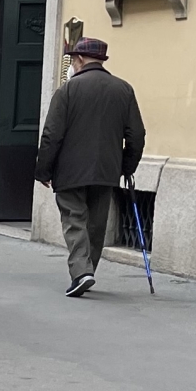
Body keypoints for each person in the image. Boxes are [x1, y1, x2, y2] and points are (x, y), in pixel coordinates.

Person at [34, 35, 148, 298]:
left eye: (73, 60)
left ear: (80, 59)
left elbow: (52, 134)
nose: (73, 64)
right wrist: (126, 166)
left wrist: (43, 170)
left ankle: (81, 272)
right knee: (95, 226)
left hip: (70, 171)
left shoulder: (68, 91)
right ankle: (87, 271)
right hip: (106, 171)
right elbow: (137, 135)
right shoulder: (124, 89)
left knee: (75, 221)